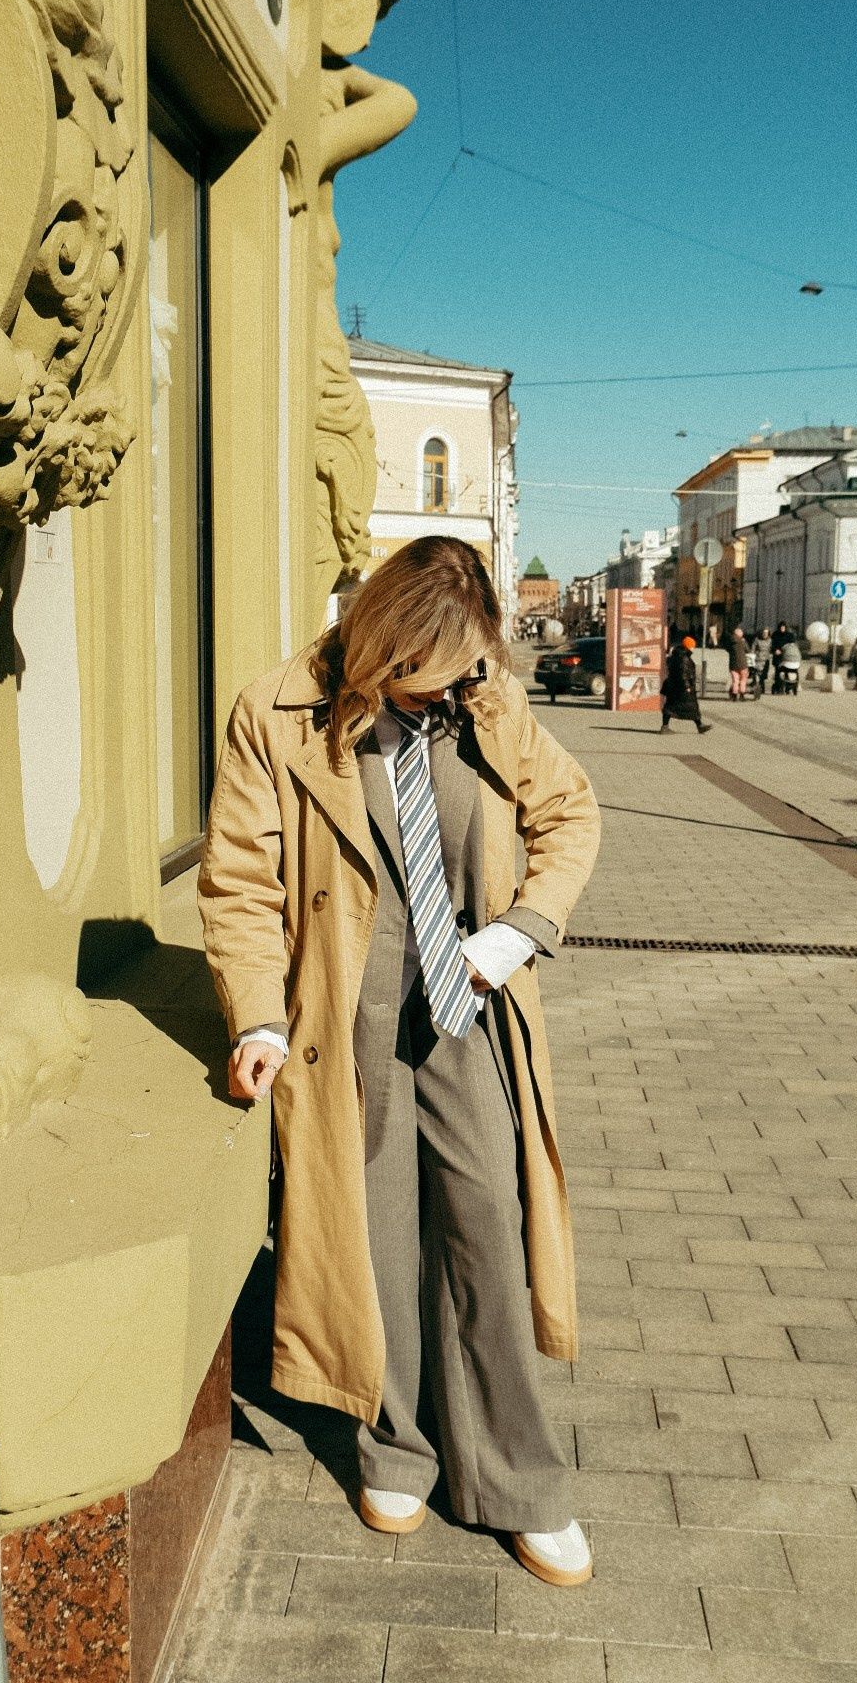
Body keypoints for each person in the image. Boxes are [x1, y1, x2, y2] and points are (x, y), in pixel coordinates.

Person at [198, 537, 601, 1586]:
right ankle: (397, 1447)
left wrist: (519, 930)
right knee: (376, 1245)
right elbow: (240, 880)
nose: (451, 691)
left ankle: (519, 1478)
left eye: (467, 668)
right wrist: (257, 1018)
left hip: (467, 1014)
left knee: (486, 1235)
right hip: (349, 1025)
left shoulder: (488, 698)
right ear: (382, 643)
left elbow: (571, 815)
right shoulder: (276, 710)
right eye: (429, 674)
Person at [661, 635, 711, 734]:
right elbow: (683, 673)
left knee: (674, 706)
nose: (693, 648)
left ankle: (699, 725)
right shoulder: (683, 657)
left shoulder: (679, 654)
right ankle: (699, 726)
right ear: (688, 646)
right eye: (692, 646)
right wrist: (687, 685)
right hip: (681, 687)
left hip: (674, 686)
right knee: (685, 706)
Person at [727, 626, 749, 702]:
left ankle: (734, 696)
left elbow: (728, 649)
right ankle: (742, 695)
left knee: (735, 680)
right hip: (743, 664)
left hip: (733, 664)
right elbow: (747, 650)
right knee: (743, 679)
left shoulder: (730, 641)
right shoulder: (743, 642)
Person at [752, 626, 772, 694]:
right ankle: (755, 688)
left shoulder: (770, 640)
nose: (765, 634)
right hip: (758, 659)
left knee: (763, 676)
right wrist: (752, 655)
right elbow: (753, 648)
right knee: (756, 674)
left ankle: (762, 688)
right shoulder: (757, 639)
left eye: (766, 633)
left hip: (766, 660)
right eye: (764, 632)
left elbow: (771, 648)